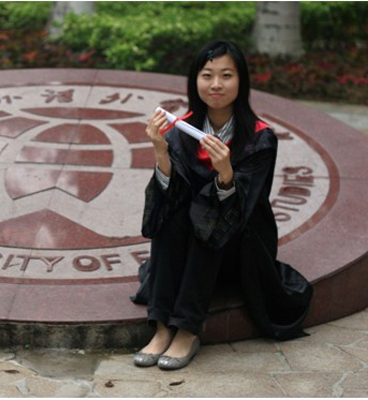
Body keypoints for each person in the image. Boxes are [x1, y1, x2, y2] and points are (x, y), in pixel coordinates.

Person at [131, 40, 313, 370]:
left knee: (209, 221)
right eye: (207, 75)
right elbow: (170, 197)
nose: (216, 84)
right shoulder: (180, 131)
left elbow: (246, 207)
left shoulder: (259, 138)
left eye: (226, 75)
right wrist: (160, 151)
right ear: (195, 80)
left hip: (240, 241)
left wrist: (226, 173)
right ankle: (161, 327)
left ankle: (187, 330)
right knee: (172, 219)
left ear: (241, 81)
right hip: (189, 238)